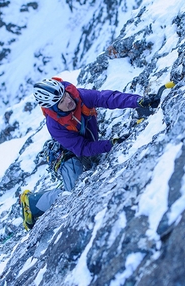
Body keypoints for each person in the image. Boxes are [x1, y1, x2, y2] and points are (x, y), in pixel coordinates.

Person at [20, 77, 160, 230]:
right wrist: (110, 144)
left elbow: (107, 98)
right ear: (53, 108)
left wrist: (138, 101)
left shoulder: (78, 96)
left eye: (65, 94)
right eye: (61, 102)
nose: (68, 100)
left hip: (86, 143)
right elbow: (82, 148)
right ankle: (31, 203)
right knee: (73, 195)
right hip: (69, 156)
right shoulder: (54, 125)